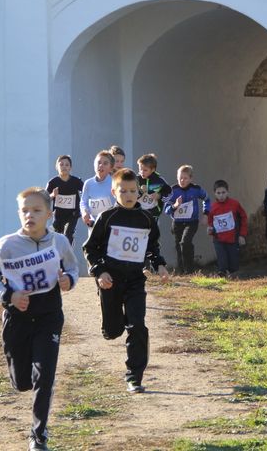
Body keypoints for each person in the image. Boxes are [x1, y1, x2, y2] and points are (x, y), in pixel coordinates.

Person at [0, 187, 79, 451]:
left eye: (36, 210)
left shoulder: (59, 242)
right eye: (25, 211)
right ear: (18, 214)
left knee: (44, 376)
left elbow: (72, 267)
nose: (30, 215)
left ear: (49, 214)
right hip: (18, 318)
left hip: (49, 316)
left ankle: (38, 435)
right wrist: (9, 296)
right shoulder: (6, 246)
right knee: (23, 382)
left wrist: (68, 280)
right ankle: (24, 381)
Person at [83, 168, 169, 393]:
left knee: (137, 325)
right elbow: (90, 248)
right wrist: (100, 272)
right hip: (110, 280)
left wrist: (159, 265)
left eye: (133, 191)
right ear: (114, 192)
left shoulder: (146, 219)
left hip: (135, 281)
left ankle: (134, 376)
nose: (129, 195)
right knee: (112, 331)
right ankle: (116, 322)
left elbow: (152, 248)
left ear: (138, 192)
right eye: (123, 191)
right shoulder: (107, 217)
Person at [164, 165, 210, 273]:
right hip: (177, 223)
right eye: (180, 178)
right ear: (177, 177)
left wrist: (206, 214)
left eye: (185, 178)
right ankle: (182, 271)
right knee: (178, 246)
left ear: (191, 179)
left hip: (191, 222)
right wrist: (175, 205)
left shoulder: (196, 189)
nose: (182, 180)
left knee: (185, 242)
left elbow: (207, 199)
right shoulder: (173, 191)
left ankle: (189, 270)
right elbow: (166, 210)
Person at [206, 179, 248, 277]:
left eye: (223, 192)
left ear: (227, 192)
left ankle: (232, 275)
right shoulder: (212, 208)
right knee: (222, 262)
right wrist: (210, 230)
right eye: (218, 193)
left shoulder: (235, 204)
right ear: (214, 193)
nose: (221, 195)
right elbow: (210, 223)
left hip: (232, 239)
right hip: (219, 240)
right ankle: (222, 274)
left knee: (234, 265)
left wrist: (242, 235)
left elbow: (243, 218)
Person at [45, 154, 84, 245]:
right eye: (61, 164)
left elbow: (86, 192)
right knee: (58, 235)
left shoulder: (76, 181)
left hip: (73, 213)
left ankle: (68, 250)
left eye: (67, 165)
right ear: (57, 167)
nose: (64, 167)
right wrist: (53, 195)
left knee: (68, 233)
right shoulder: (53, 182)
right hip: (59, 213)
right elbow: (45, 198)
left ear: (70, 167)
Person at [80, 150, 115, 229]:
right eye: (99, 162)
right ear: (94, 165)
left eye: (105, 163)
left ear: (111, 168)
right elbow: (83, 202)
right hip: (94, 225)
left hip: (110, 225)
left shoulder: (114, 183)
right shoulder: (88, 183)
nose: (101, 165)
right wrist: (84, 212)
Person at [136, 153, 172, 221]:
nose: (142, 172)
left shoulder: (159, 181)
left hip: (153, 214)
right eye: (140, 169)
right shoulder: (136, 179)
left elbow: (170, 193)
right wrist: (140, 192)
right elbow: (131, 194)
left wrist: (159, 195)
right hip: (138, 213)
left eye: (145, 170)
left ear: (153, 169)